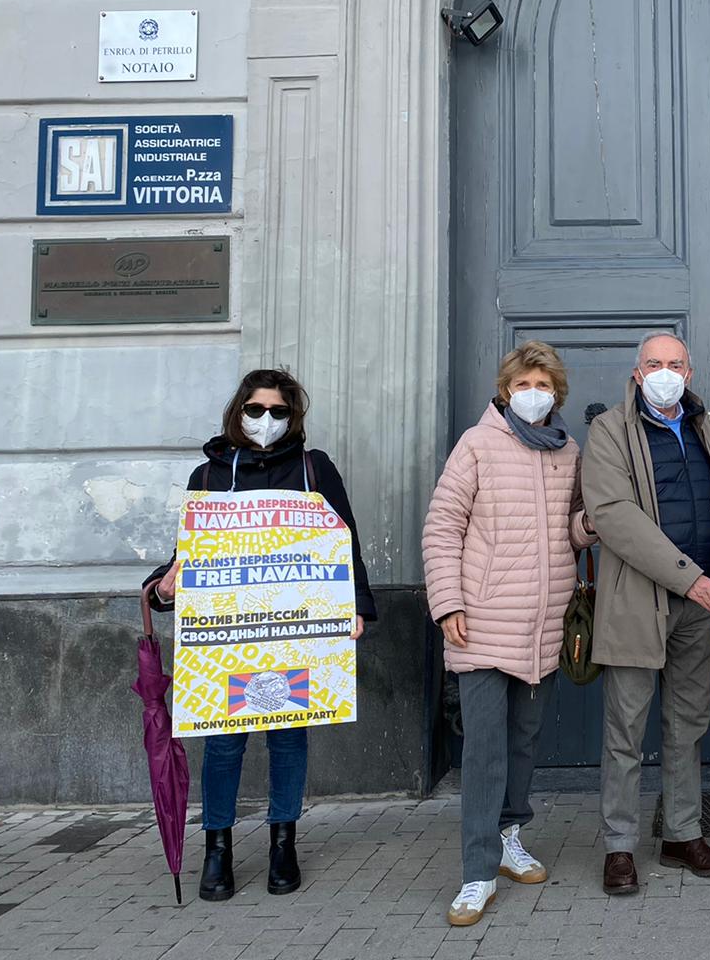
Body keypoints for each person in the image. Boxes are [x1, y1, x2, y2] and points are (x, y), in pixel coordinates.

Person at [144, 368, 375, 902]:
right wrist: (166, 585)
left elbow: (345, 540)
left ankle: (282, 843)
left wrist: (354, 606)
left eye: (278, 412)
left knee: (289, 736)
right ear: (238, 412)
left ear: (292, 418)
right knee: (223, 744)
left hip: (293, 633)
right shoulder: (206, 476)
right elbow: (191, 554)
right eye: (256, 410)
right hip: (227, 636)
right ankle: (217, 847)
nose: (265, 421)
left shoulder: (315, 470)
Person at [422, 341, 597, 926]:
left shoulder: (567, 450)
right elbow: (443, 525)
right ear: (505, 389)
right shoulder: (477, 444)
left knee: (524, 742)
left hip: (543, 627)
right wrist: (447, 602)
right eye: (523, 382)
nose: (533, 393)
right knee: (485, 750)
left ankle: (509, 838)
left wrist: (587, 525)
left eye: (543, 384)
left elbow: (566, 530)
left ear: (557, 393)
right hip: (481, 623)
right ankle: (477, 872)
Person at [582, 331, 710, 895]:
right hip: (637, 603)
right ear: (638, 372)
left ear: (689, 372)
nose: (665, 371)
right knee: (625, 731)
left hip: (699, 605)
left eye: (675, 363)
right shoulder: (609, 430)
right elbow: (614, 515)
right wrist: (690, 578)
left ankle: (681, 833)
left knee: (688, 727)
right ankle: (619, 847)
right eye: (654, 363)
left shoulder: (702, 425)